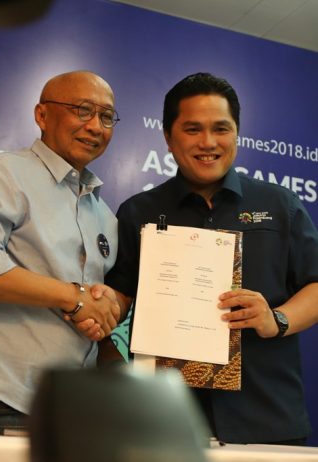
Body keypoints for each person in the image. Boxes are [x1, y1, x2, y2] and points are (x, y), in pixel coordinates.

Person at [104, 72, 318, 444]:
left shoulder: (279, 205)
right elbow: (120, 296)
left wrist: (276, 319)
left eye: (221, 128)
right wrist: (99, 304)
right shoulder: (138, 212)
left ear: (236, 134)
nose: (208, 142)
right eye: (192, 129)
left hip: (268, 419)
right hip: (165, 423)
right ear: (168, 137)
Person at [0, 70, 125, 435]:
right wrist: (74, 296)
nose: (95, 126)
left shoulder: (105, 215)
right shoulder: (2, 172)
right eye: (83, 110)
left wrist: (103, 308)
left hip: (71, 410)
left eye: (106, 116)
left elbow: (93, 306)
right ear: (42, 115)